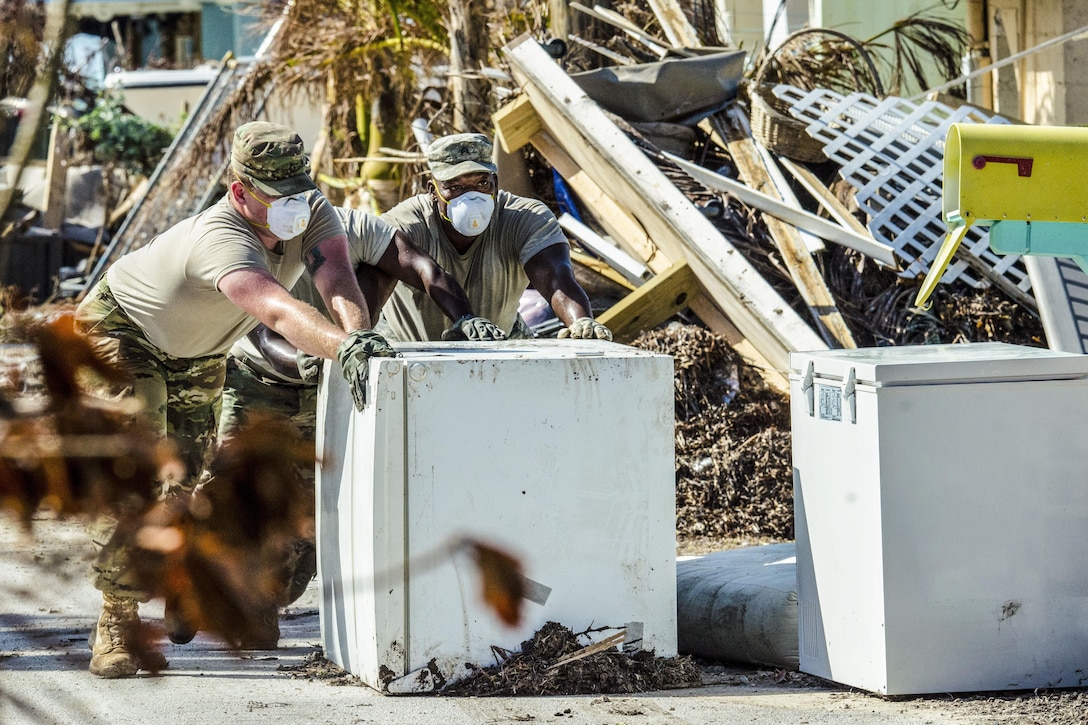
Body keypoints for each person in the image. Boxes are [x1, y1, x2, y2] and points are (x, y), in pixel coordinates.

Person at [75, 120, 396, 679]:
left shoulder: (311, 207)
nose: (295, 206)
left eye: (300, 190)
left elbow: (337, 278)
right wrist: (341, 348)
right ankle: (117, 619)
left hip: (195, 355)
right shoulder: (222, 237)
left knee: (191, 479)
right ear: (239, 191)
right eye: (278, 197)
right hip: (120, 333)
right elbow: (275, 310)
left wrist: (359, 336)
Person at [369, 132, 613, 343]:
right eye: (456, 187)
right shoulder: (405, 224)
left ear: (496, 183)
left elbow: (556, 278)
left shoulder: (525, 218)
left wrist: (580, 321)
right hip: (412, 344)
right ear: (433, 191)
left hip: (501, 338)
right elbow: (375, 285)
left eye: (482, 183)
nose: (472, 197)